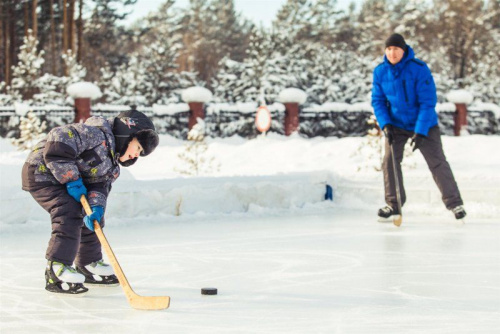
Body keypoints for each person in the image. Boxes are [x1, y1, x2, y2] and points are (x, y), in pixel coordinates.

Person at [21, 110, 159, 295]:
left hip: (68, 181)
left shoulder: (112, 165)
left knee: (92, 218)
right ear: (127, 135)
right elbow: (58, 139)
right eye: (138, 148)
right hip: (41, 173)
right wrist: (71, 178)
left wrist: (96, 206)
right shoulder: (94, 134)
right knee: (68, 213)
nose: (136, 155)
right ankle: (57, 268)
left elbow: (99, 186)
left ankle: (88, 263)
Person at [371, 33, 466, 221]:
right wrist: (386, 124)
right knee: (389, 161)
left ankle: (455, 204)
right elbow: (378, 101)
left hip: (424, 124)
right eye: (389, 49)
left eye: (396, 49)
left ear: (403, 50)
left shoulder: (419, 69)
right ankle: (393, 204)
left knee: (437, 162)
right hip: (396, 125)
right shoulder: (380, 71)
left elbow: (427, 102)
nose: (392, 53)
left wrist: (420, 131)